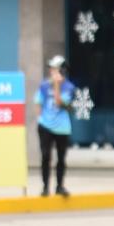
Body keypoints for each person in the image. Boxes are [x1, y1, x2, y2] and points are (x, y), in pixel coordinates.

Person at [35, 56, 74, 196]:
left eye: (55, 69)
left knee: (61, 158)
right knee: (45, 156)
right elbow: (38, 101)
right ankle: (45, 187)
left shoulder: (68, 87)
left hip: (62, 127)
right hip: (45, 125)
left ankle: (60, 186)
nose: (51, 71)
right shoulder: (44, 85)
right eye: (51, 69)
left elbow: (59, 102)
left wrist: (57, 85)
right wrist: (40, 118)